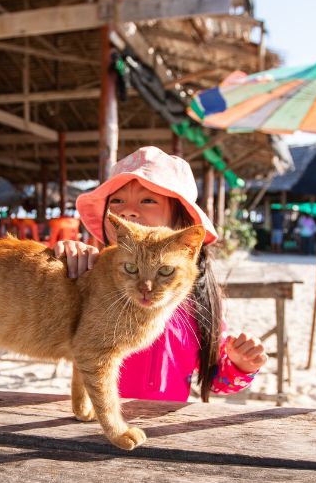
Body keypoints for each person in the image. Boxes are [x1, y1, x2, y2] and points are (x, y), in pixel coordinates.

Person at [54, 147, 267, 402]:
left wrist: (241, 364)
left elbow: (216, 380)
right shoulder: (90, 272)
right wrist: (66, 261)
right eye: (117, 201)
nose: (127, 212)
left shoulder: (198, 300)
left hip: (164, 424)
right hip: (99, 418)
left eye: (147, 200)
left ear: (181, 221)